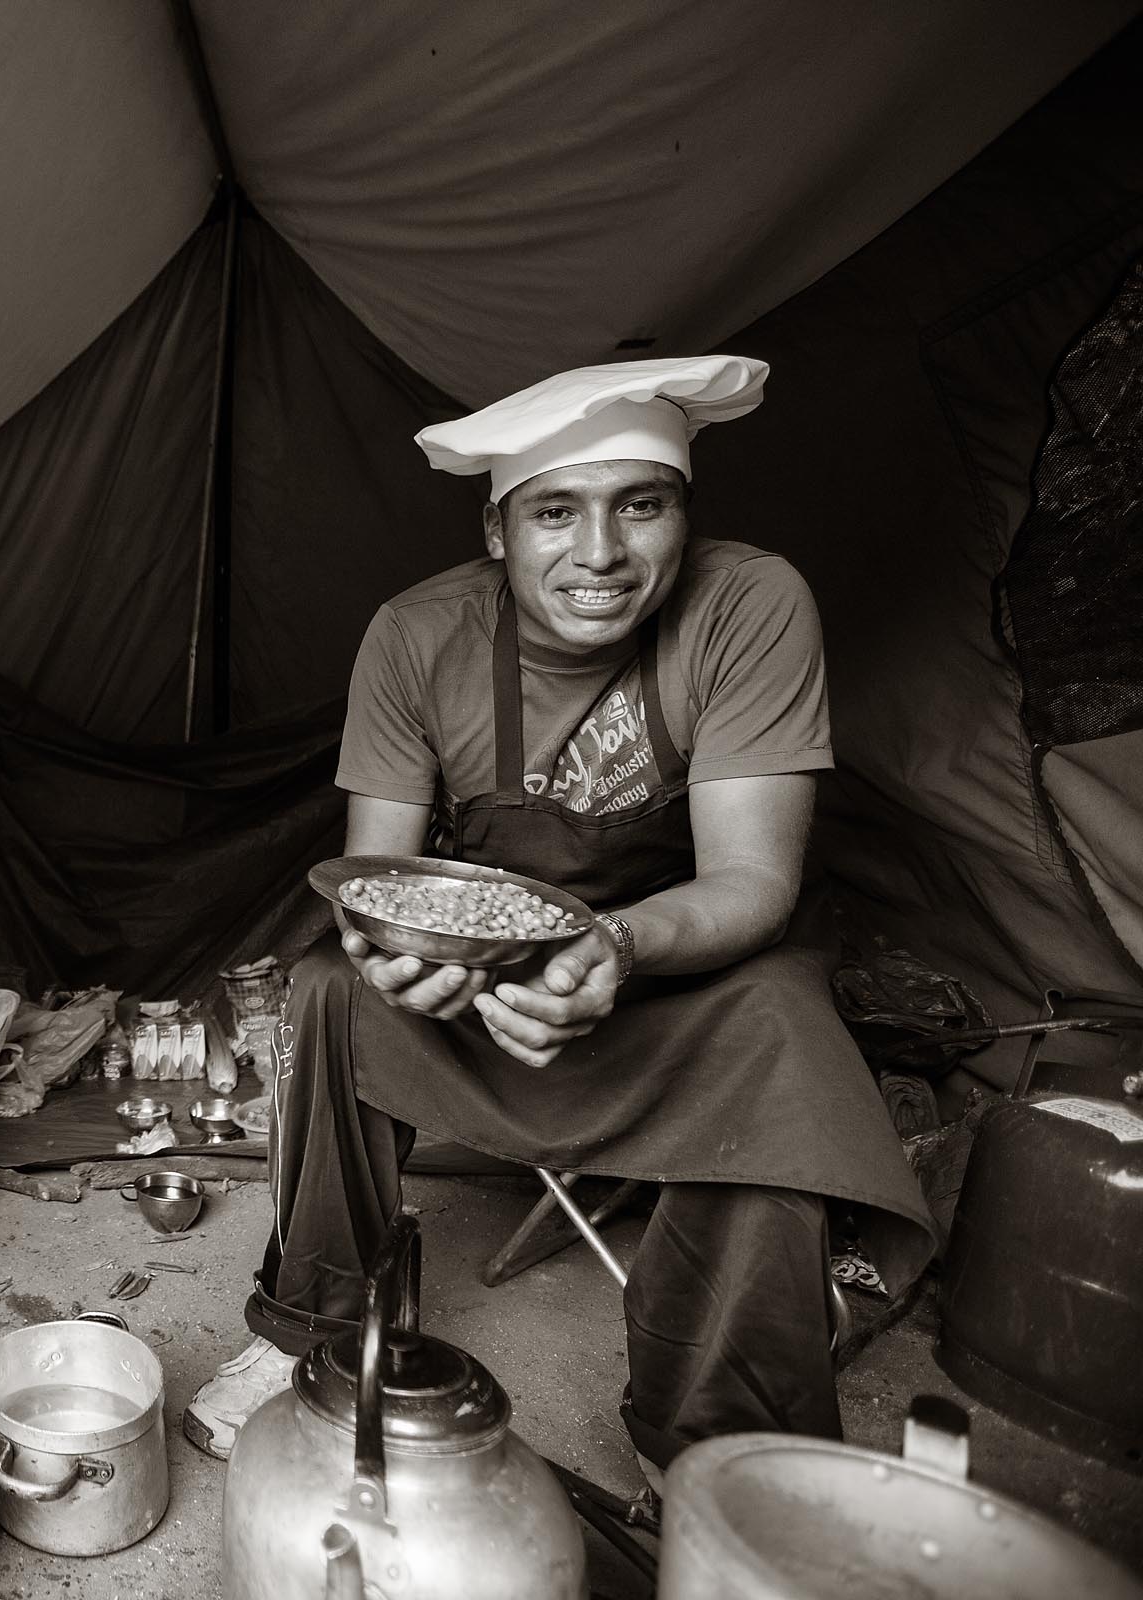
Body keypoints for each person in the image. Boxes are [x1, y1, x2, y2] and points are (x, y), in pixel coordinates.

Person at [182, 358, 934, 1484]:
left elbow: (751, 882)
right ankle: (317, 1327)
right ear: (497, 532)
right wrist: (386, 950)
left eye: (642, 503)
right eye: (554, 512)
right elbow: (376, 873)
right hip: (486, 987)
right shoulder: (414, 635)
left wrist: (617, 947)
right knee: (326, 994)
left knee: (785, 1018)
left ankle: (720, 1438)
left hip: (677, 982)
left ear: (685, 513)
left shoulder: (749, 604)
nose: (600, 553)